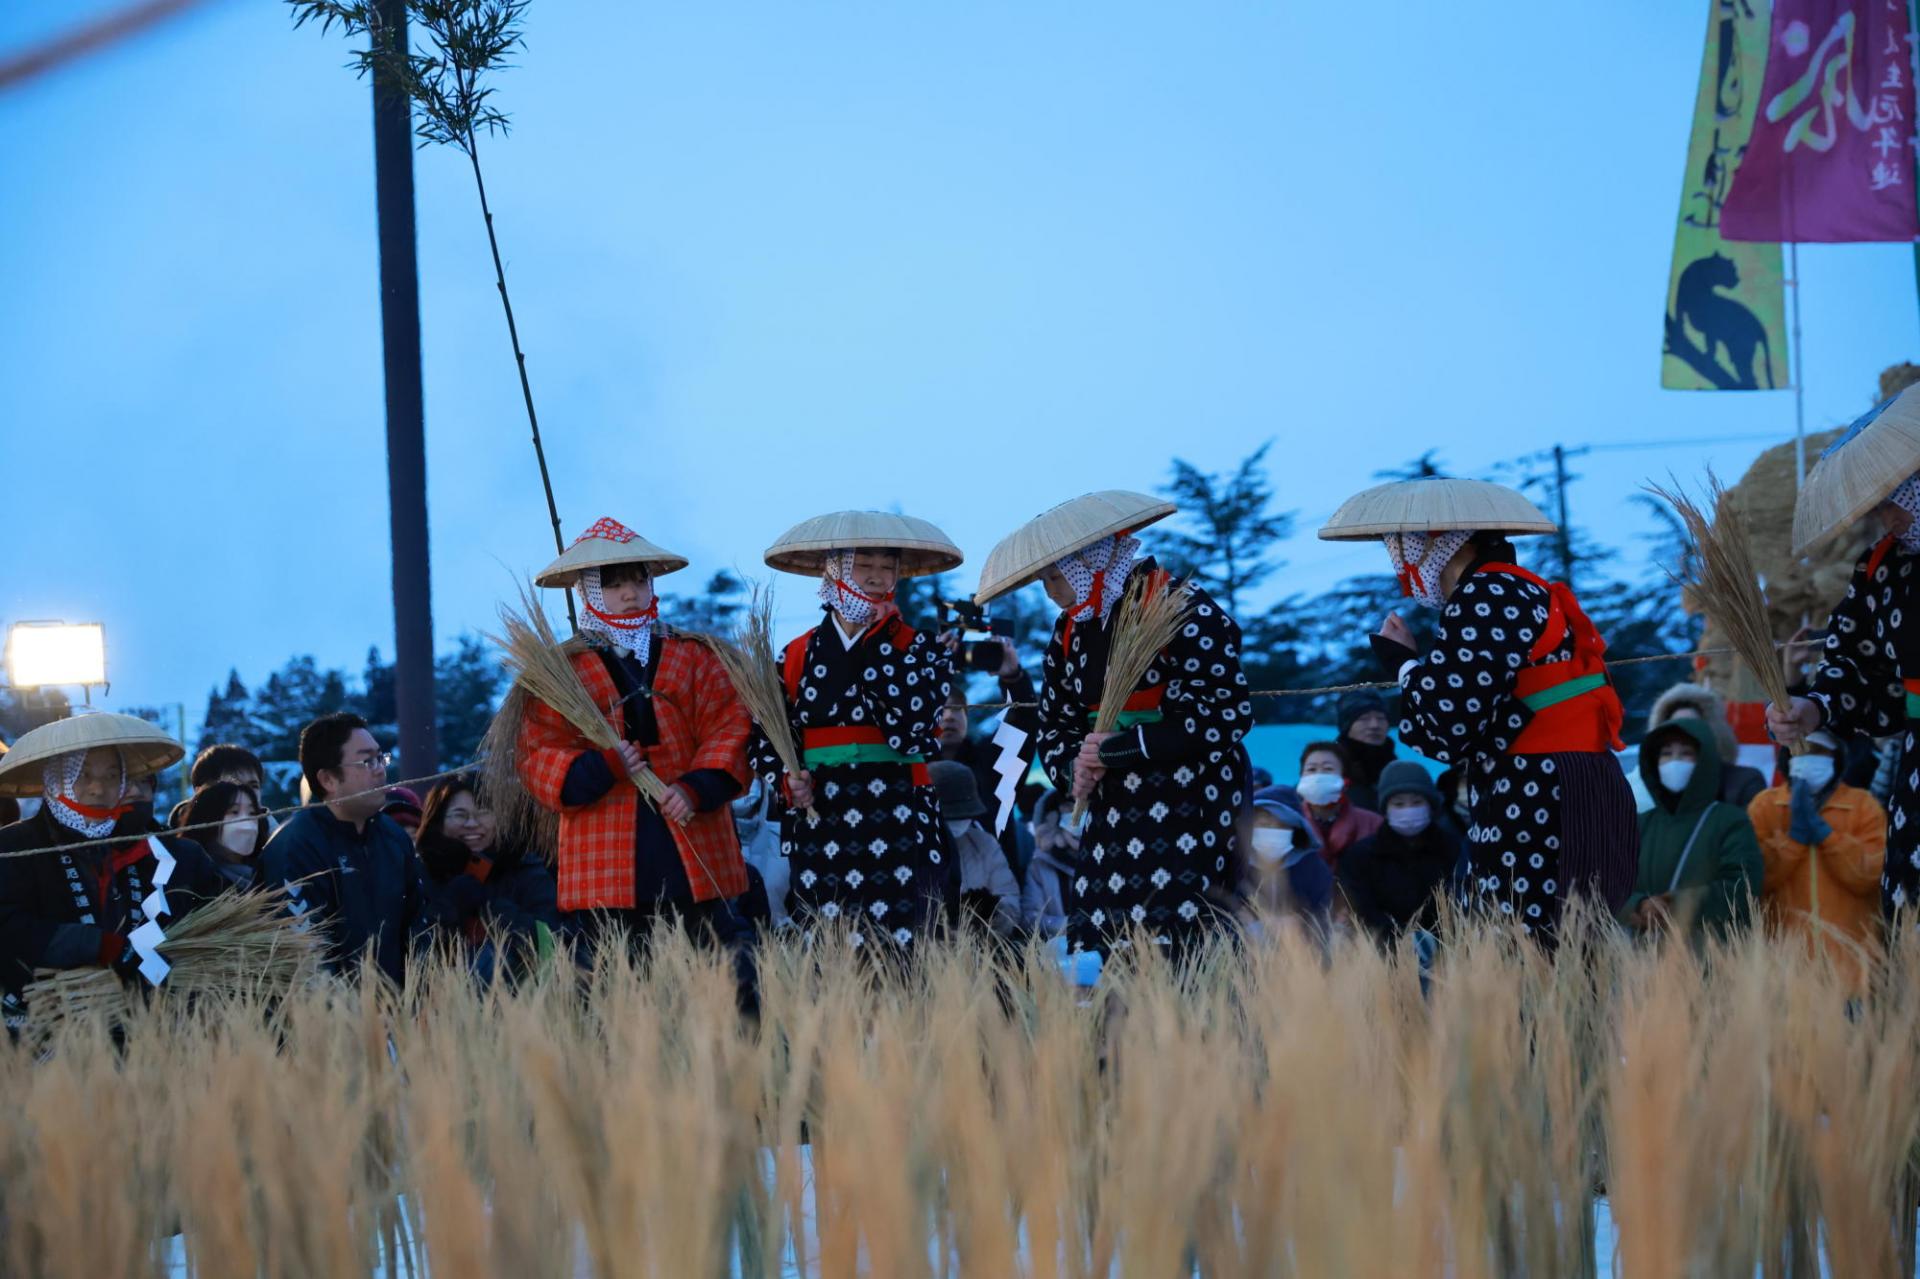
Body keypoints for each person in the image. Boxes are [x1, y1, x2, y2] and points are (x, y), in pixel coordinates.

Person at [1321, 476, 1639, 940]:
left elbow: (1451, 723)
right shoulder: (1519, 589)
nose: (1402, 562)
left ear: (1443, 544)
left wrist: (1405, 665)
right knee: (1568, 934)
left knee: (1522, 937)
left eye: (1406, 545)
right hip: (1570, 779)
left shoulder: (1486, 595)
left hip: (1539, 787)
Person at [975, 489, 1253, 959]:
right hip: (1110, 809)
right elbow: (1056, 721)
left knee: (1186, 939)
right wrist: (1071, 768)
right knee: (1104, 937)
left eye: (1055, 575)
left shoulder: (1180, 607)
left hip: (1190, 801)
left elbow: (1226, 714)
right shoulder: (1070, 628)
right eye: (1043, 579)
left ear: (1090, 561)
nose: (1050, 591)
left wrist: (1118, 749)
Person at [507, 518, 756, 956]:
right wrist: (603, 766)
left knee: (718, 960)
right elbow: (537, 753)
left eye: (639, 581)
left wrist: (697, 788)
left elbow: (730, 725)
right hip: (605, 850)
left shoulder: (695, 656)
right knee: (613, 967)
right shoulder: (561, 674)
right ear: (586, 591)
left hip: (691, 833)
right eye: (614, 584)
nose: (630, 594)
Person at [754, 511, 964, 948]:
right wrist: (788, 779)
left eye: (887, 567)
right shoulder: (796, 653)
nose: (875, 577)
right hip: (822, 811)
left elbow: (914, 730)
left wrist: (879, 645)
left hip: (900, 806)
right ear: (835, 572)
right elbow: (764, 736)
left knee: (906, 940)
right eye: (863, 565)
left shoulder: (920, 648)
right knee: (828, 939)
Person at [1767, 386, 1920, 914]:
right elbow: (1852, 664)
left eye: (1891, 498)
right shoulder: (1881, 568)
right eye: (1876, 504)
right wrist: (1812, 707)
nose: (1883, 516)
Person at [0, 714, 227, 1028]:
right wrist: (97, 945)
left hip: (145, 1029)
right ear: (54, 781)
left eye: (111, 776)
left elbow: (213, 913)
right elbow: (8, 925)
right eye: (82, 775)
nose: (98, 789)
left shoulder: (151, 849)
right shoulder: (14, 846)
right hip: (40, 1028)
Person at [257, 713, 444, 984]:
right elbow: (305, 956)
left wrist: (420, 995)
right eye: (367, 761)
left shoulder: (393, 837)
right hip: (320, 1006)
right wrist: (349, 1007)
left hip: (396, 1005)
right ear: (328, 779)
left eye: (381, 758)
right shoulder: (294, 846)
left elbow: (419, 929)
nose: (380, 770)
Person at [1748, 731, 1887, 990]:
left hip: (1851, 972)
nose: (1808, 757)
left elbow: (1868, 877)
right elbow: (1757, 879)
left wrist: (1826, 835)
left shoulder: (1864, 807)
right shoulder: (1765, 806)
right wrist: (1795, 839)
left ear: (1836, 757)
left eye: (1818, 751)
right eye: (1801, 749)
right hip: (1783, 971)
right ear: (1787, 757)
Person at [1623, 719, 1762, 942]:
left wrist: (1676, 905)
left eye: (1686, 753)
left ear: (1705, 761)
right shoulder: (1640, 825)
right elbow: (1610, 885)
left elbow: (1743, 886)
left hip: (1711, 952)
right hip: (1643, 955)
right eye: (1666, 753)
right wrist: (1639, 905)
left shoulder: (1730, 821)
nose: (1674, 762)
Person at [414, 776, 562, 976]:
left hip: (519, 990)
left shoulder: (525, 869)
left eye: (483, 812)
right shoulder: (420, 872)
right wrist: (448, 907)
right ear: (438, 821)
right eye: (459, 814)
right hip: (440, 990)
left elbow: (552, 940)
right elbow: (413, 948)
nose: (472, 823)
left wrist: (494, 908)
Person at [1335, 761, 1467, 943]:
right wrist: (1398, 939)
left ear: (1430, 806)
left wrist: (1432, 941)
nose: (1408, 810)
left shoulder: (1453, 849)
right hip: (1380, 950)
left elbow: (1459, 903)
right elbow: (1361, 909)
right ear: (1385, 809)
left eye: (1417, 802)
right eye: (1398, 804)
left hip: (1446, 949)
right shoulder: (1360, 856)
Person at [929, 760, 1021, 937]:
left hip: (982, 944)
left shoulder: (984, 844)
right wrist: (940, 931)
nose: (958, 822)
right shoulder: (910, 850)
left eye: (964, 815)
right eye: (950, 817)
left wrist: (995, 916)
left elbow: (1009, 897)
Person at [1648, 681, 1768, 810]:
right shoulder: (1647, 789)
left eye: (1692, 725)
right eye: (1676, 726)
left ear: (1711, 732)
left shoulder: (1743, 783)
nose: (1683, 731)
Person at [1231, 786, 1334, 932]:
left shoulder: (1314, 869)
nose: (1272, 831)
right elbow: (1226, 918)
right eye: (1264, 824)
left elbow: (1322, 923)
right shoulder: (1234, 866)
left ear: (1295, 829)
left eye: (1282, 825)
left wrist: (1261, 924)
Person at [1296, 740, 1383, 869]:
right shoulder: (1288, 822)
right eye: (1311, 769)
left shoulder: (1373, 824)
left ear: (1345, 779)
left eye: (1328, 769)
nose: (1318, 776)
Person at [177, 780, 264, 890]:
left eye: (252, 813)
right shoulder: (191, 880)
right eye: (234, 812)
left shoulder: (268, 872)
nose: (247, 825)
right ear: (208, 818)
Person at [1021, 788, 1081, 937]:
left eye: (1083, 807)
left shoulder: (1107, 858)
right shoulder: (1039, 865)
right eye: (1068, 807)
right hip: (1058, 948)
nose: (1076, 813)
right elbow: (1030, 917)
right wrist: (1070, 926)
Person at [1333, 689, 1399, 813]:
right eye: (1364, 718)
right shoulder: (1329, 769)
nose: (1374, 725)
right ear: (1347, 726)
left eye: (1381, 718)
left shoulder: (1399, 771)